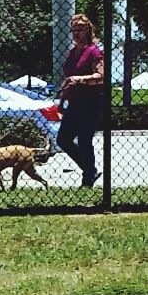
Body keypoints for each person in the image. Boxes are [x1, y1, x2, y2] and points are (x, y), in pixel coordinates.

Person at [56, 14, 104, 187]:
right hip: (74, 102)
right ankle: (90, 169)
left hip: (91, 101)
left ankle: (88, 179)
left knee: (84, 139)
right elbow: (68, 79)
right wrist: (61, 102)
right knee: (63, 139)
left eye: (80, 30)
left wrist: (80, 79)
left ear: (88, 30)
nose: (76, 33)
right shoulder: (72, 53)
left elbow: (101, 76)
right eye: (73, 30)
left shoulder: (94, 51)